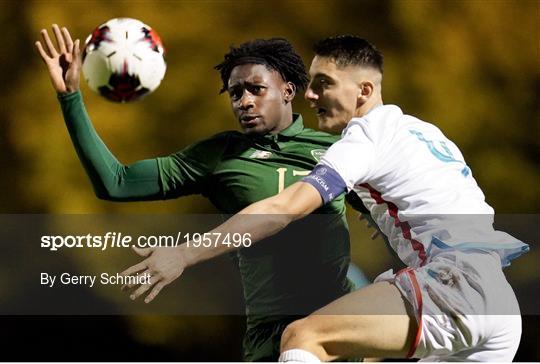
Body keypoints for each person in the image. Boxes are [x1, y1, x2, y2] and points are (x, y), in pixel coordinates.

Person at [120, 35, 529, 362]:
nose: (311, 96)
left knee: (304, 335)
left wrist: (184, 254)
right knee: (360, 347)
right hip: (497, 303)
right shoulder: (426, 132)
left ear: (364, 90)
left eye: (324, 84)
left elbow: (283, 209)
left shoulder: (365, 136)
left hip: (454, 287)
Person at [35, 25, 370, 361]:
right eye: (235, 93)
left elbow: (393, 214)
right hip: (269, 336)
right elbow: (116, 182)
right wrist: (70, 97)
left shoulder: (335, 149)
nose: (245, 102)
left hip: (336, 326)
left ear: (288, 90)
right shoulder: (218, 155)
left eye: (256, 89)